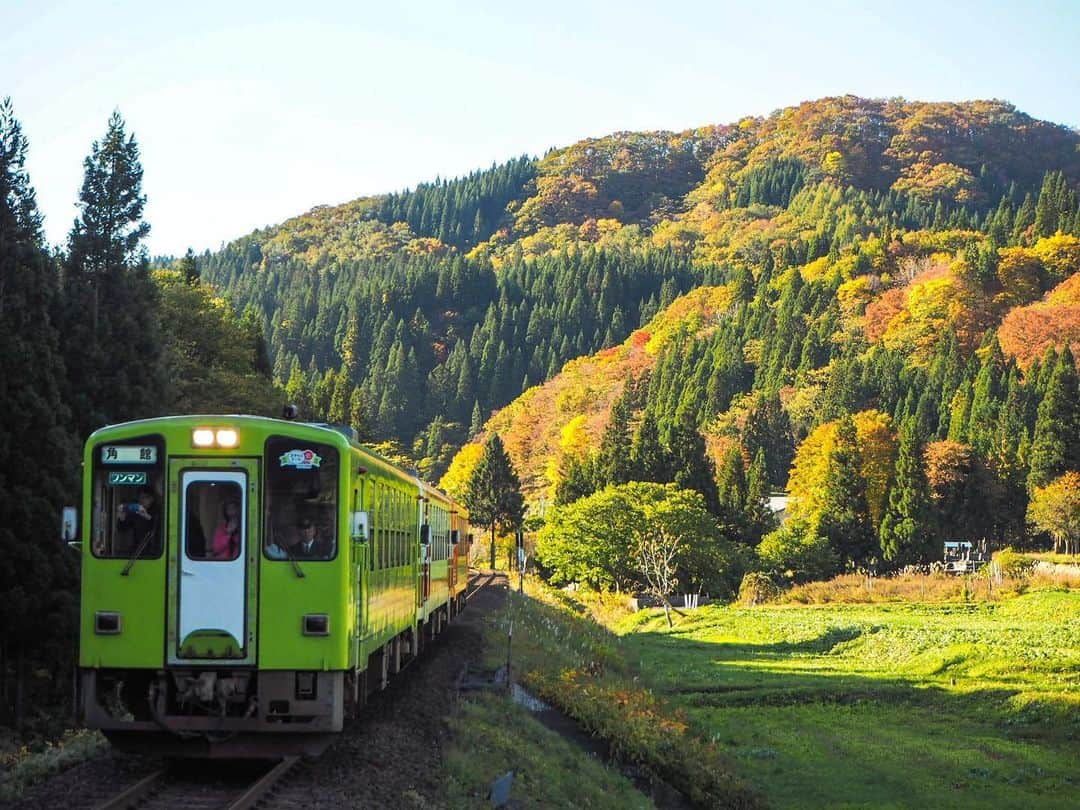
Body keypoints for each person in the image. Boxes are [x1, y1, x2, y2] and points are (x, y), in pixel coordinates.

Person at [116, 486, 158, 555]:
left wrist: (146, 516)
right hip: (137, 552)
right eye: (140, 498)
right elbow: (121, 529)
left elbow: (157, 528)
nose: (141, 501)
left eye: (144, 498)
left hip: (155, 553)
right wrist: (122, 517)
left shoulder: (158, 512)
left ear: (151, 499)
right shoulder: (136, 513)